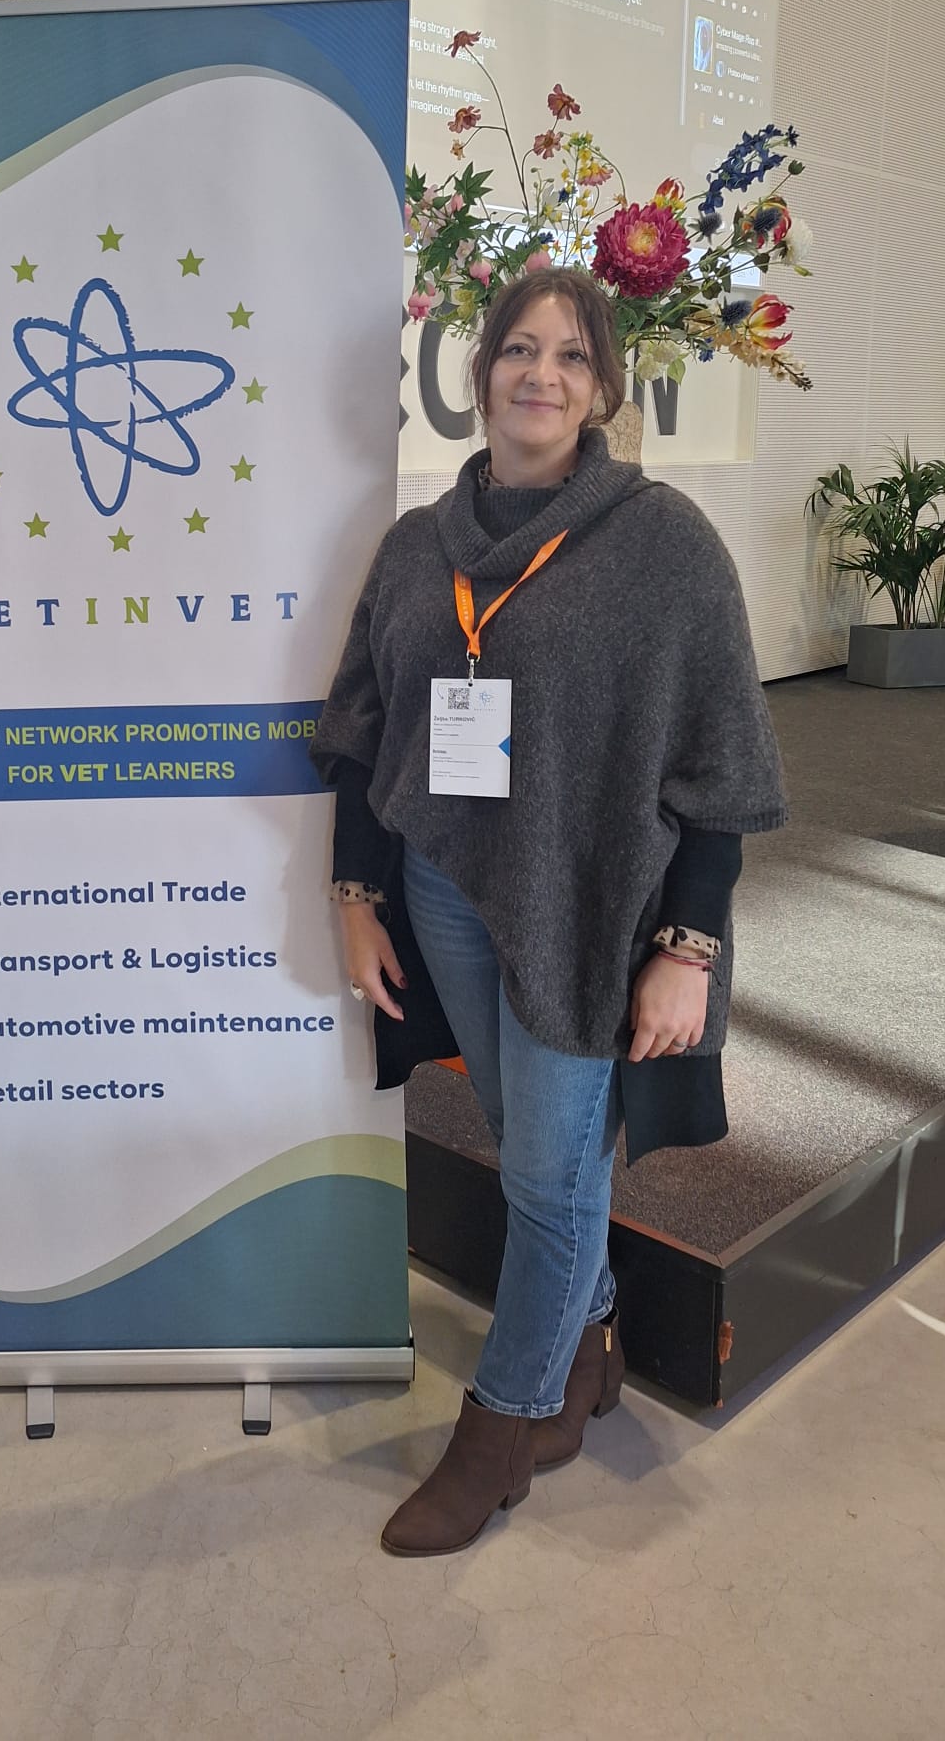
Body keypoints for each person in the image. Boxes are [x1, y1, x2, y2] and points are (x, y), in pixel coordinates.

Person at [313, 268, 786, 1557]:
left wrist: (690, 947)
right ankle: (593, 1349)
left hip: (594, 912)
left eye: (572, 357)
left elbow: (722, 768)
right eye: (519, 349)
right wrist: (356, 894)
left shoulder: (665, 544)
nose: (541, 375)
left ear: (604, 389)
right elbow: (363, 733)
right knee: (537, 1148)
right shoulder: (419, 547)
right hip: (448, 892)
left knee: (545, 1173)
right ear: (477, 376)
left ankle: (499, 1430)